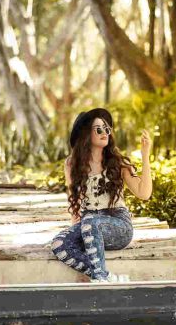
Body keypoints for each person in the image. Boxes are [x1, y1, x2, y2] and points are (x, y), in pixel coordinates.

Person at [51, 108, 152, 283]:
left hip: (118, 225)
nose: (104, 132)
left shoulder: (118, 163)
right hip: (89, 225)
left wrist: (145, 156)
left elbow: (144, 193)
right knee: (59, 243)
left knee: (89, 220)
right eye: (98, 129)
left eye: (107, 129)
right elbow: (75, 204)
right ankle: (103, 275)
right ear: (86, 134)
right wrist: (76, 233)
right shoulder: (72, 165)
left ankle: (100, 279)